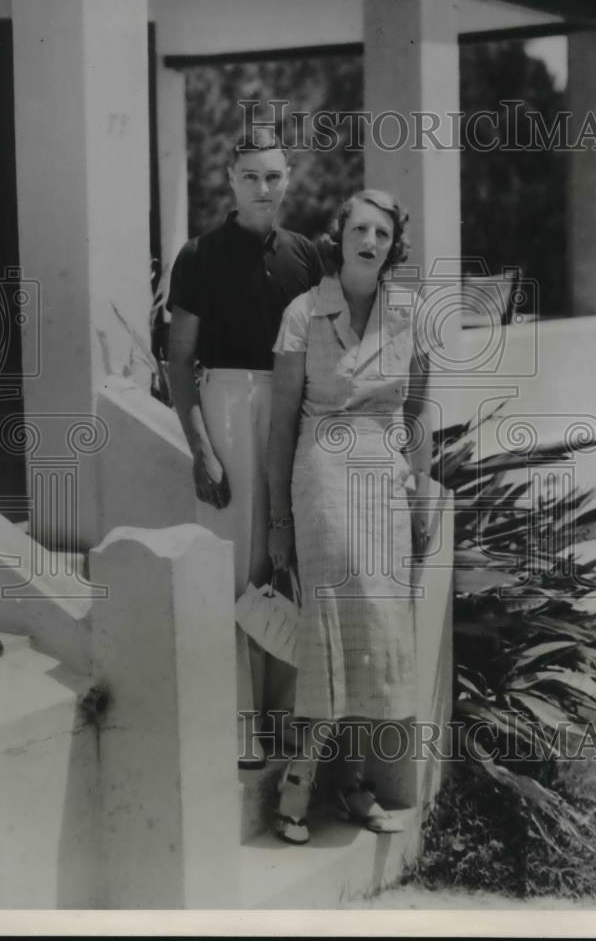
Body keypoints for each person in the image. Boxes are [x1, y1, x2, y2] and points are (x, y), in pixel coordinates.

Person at [267, 190, 433, 843]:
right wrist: (278, 520)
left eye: (383, 234)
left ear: (395, 247)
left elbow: (417, 414)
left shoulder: (410, 314)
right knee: (333, 622)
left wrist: (418, 491)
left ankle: (355, 782)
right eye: (359, 229)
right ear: (339, 237)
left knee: (381, 628)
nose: (370, 241)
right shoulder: (303, 314)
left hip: (384, 477)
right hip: (324, 472)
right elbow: (281, 425)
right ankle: (299, 782)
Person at [167, 125, 322, 769]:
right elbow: (179, 363)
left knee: (293, 562)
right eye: (251, 176)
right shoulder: (199, 256)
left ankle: (284, 718)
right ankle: (238, 725)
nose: (264, 187)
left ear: (289, 180)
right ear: (230, 181)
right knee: (237, 567)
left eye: (274, 176)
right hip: (229, 406)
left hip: (297, 409)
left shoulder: (308, 256)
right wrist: (201, 448)